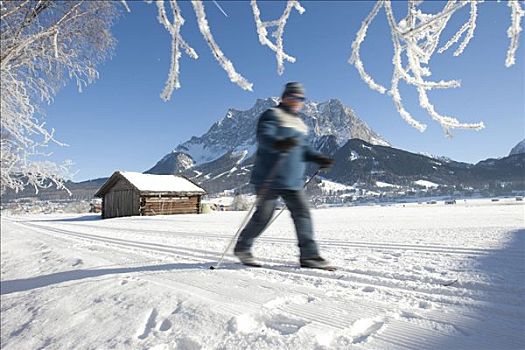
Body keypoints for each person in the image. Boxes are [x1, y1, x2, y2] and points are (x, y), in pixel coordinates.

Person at [233, 82, 334, 270]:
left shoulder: (301, 125)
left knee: (302, 214)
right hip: (269, 176)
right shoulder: (272, 114)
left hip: (293, 181)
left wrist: (319, 158)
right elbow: (264, 137)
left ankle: (309, 256)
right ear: (284, 97)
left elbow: (304, 149)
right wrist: (279, 143)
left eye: (300, 99)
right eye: (293, 97)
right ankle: (242, 247)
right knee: (264, 215)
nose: (297, 101)